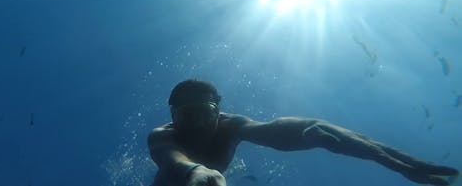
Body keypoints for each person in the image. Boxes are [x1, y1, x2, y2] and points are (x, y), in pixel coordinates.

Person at [148, 79, 459, 186]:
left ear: (219, 111)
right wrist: (199, 173)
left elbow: (278, 130)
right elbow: (174, 162)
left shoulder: (232, 126)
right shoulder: (162, 136)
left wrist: (315, 132)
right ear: (173, 117)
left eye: (206, 113)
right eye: (187, 116)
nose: (199, 124)